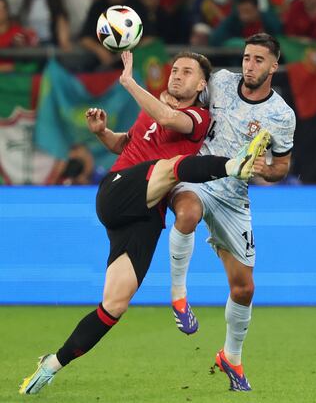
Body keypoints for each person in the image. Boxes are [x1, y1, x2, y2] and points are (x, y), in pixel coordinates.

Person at [19, 49, 271, 395]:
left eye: (187, 71)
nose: (177, 75)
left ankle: (52, 363)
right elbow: (125, 144)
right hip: (118, 191)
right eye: (175, 69)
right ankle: (233, 165)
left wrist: (129, 83)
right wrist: (101, 132)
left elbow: (169, 120)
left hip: (145, 216)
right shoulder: (155, 109)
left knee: (114, 305)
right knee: (171, 165)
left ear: (201, 84)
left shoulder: (197, 118)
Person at [167, 32, 296, 391]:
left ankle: (231, 357)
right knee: (187, 214)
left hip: (233, 197)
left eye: (258, 60)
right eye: (246, 58)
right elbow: (188, 99)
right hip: (198, 174)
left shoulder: (281, 115)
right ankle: (179, 296)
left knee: (243, 289)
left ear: (273, 66)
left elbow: (281, 167)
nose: (249, 65)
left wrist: (258, 169)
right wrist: (172, 93)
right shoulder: (221, 83)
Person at [79, 0, 147, 68]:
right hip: (102, 61)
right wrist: (99, 50)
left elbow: (149, 37)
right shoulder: (97, 6)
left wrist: (129, 49)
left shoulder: (137, 5)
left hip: (133, 58)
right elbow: (85, 38)